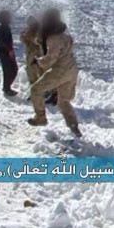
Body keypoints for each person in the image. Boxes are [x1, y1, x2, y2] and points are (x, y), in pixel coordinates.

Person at [27, 8, 82, 137]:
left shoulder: (53, 38)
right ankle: (74, 126)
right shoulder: (66, 36)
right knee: (63, 101)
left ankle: (40, 117)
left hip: (61, 71)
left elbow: (51, 59)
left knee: (36, 90)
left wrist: (38, 61)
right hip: (72, 70)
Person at [0, 10, 18, 97]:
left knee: (12, 69)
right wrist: (9, 50)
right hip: (4, 52)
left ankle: (7, 87)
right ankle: (6, 88)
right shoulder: (3, 28)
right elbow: (2, 41)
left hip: (5, 51)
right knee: (9, 70)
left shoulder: (5, 27)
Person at [20, 16, 44, 87]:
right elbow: (23, 39)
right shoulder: (28, 31)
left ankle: (44, 91)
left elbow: (39, 41)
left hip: (37, 55)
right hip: (30, 56)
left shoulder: (39, 31)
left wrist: (29, 36)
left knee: (40, 73)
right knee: (31, 74)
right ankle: (34, 90)